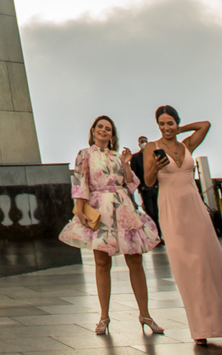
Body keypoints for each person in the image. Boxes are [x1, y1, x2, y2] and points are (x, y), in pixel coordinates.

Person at [143, 106, 222, 345]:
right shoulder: (151, 147)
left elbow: (205, 124)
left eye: (170, 123)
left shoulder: (186, 145)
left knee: (212, 265)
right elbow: (149, 181)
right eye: (161, 124)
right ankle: (201, 328)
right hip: (172, 211)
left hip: (196, 209)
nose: (165, 128)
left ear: (177, 123)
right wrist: (156, 166)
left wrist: (178, 131)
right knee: (189, 271)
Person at [59, 115, 162, 335]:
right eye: (100, 127)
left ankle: (145, 314)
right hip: (99, 208)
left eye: (108, 128)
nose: (104, 131)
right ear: (93, 130)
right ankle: (104, 316)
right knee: (102, 262)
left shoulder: (118, 156)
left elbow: (132, 184)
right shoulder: (85, 154)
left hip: (123, 207)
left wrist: (125, 163)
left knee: (135, 260)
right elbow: (80, 182)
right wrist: (79, 208)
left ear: (112, 134)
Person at [133, 132, 163, 240]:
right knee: (150, 213)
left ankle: (160, 235)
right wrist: (140, 187)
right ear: (138, 144)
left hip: (156, 188)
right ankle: (154, 236)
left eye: (145, 141)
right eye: (142, 142)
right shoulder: (135, 158)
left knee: (157, 212)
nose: (144, 144)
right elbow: (135, 173)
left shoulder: (153, 156)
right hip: (145, 189)